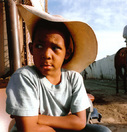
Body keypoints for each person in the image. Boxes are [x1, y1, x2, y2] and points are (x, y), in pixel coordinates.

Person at [6, 4, 111, 132]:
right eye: (39, 46)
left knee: (102, 131)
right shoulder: (24, 76)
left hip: (58, 128)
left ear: (67, 53)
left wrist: (37, 118)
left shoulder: (74, 78)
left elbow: (79, 122)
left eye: (55, 48)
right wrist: (65, 121)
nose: (46, 55)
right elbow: (29, 128)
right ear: (31, 49)